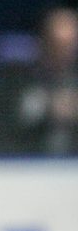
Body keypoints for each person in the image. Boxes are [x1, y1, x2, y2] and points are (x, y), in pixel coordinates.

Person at [17, 8, 78, 155]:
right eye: (58, 45)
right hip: (30, 162)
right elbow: (13, 120)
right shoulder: (21, 77)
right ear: (45, 42)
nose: (64, 52)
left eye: (70, 45)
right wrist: (49, 107)